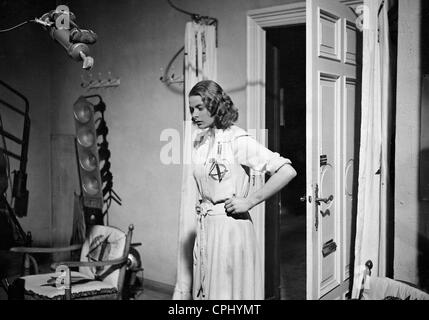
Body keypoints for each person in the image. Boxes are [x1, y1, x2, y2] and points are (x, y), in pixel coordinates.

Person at [188, 80, 297, 300]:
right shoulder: (200, 141)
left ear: (215, 105)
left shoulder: (237, 138)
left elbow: (287, 170)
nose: (194, 114)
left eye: (199, 108)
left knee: (230, 295)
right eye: (191, 109)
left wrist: (249, 201)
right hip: (208, 226)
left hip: (231, 228)